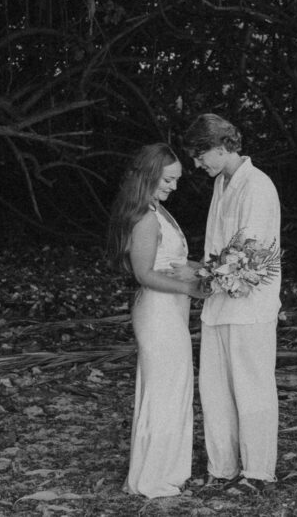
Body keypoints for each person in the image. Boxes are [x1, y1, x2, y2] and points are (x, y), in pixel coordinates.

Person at [184, 114, 282, 493]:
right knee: (216, 390)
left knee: (252, 388)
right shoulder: (223, 183)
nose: (197, 164)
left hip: (250, 307)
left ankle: (258, 474)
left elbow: (251, 255)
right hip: (218, 306)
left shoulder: (257, 186)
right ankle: (222, 468)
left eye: (200, 154)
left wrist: (202, 276)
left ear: (223, 147)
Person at [106, 143, 207, 498]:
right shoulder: (146, 218)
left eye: (176, 180)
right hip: (158, 312)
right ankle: (152, 477)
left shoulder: (157, 211)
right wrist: (193, 289)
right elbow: (145, 274)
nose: (173, 187)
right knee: (164, 391)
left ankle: (164, 469)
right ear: (150, 175)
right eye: (168, 179)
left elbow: (172, 262)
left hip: (171, 310)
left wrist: (208, 270)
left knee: (173, 389)